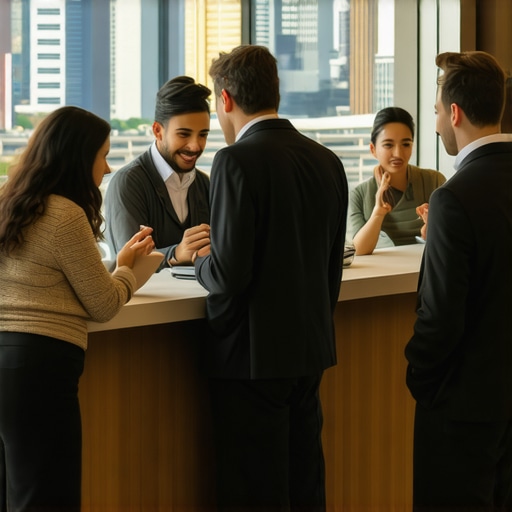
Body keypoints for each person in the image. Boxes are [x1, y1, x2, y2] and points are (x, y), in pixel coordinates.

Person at [193, 44, 348, 511]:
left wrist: (199, 259)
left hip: (250, 359)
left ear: (225, 100)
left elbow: (229, 273)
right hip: (309, 349)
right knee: (304, 483)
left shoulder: (235, 160)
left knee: (254, 491)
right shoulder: (327, 160)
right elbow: (330, 270)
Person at [0, 106, 158, 512]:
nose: (107, 169)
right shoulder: (65, 214)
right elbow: (104, 304)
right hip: (39, 368)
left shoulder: (8, 201)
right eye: (102, 155)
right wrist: (127, 272)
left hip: (6, 361)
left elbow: (47, 275)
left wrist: (114, 267)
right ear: (77, 156)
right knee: (47, 496)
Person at [404, 51, 512, 511]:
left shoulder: (454, 197)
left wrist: (420, 378)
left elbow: (441, 316)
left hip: (464, 408)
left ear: (454, 113)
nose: (435, 125)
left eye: (434, 112)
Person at [104, 76, 211, 270]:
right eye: (184, 134)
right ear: (157, 131)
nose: (195, 146)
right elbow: (128, 262)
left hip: (198, 300)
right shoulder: (127, 183)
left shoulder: (206, 184)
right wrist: (176, 253)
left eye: (203, 134)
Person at [347, 107, 446, 255]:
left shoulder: (433, 181)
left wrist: (434, 226)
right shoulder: (359, 194)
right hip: (383, 274)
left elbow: (454, 236)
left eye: (406, 144)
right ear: (373, 149)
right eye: (388, 145)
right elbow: (359, 250)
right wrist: (378, 213)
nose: (398, 153)